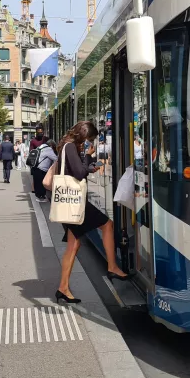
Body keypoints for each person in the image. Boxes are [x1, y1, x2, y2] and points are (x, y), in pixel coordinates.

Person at [52, 121, 128, 303]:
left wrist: (88, 163)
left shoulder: (66, 145)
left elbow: (77, 170)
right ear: (83, 134)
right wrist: (87, 158)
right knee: (107, 224)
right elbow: (79, 173)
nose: (88, 142)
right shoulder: (70, 147)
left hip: (70, 202)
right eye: (89, 138)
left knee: (74, 245)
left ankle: (62, 288)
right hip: (75, 203)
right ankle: (112, 267)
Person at [33, 137, 57, 202]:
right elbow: (55, 158)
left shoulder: (40, 147)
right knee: (42, 183)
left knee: (37, 183)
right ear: (51, 145)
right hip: (42, 169)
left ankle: (38, 196)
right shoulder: (49, 149)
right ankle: (41, 197)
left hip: (35, 167)